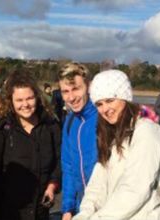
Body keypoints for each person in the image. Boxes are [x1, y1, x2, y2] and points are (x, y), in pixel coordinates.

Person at [73, 70, 160, 219]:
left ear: (125, 98)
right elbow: (96, 185)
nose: (105, 109)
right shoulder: (112, 137)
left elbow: (135, 188)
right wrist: (84, 214)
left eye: (110, 100)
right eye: (99, 104)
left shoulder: (147, 131)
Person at [0, 70, 61, 220]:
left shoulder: (50, 126)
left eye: (29, 98)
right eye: (19, 100)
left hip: (40, 208)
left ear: (37, 97)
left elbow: (58, 160)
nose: (25, 105)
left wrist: (53, 185)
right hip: (7, 211)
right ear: (10, 101)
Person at [58, 63, 98, 220]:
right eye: (65, 91)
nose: (71, 97)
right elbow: (68, 168)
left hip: (108, 207)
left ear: (87, 86)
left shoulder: (104, 118)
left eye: (76, 89)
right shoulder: (69, 122)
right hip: (82, 207)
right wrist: (67, 209)